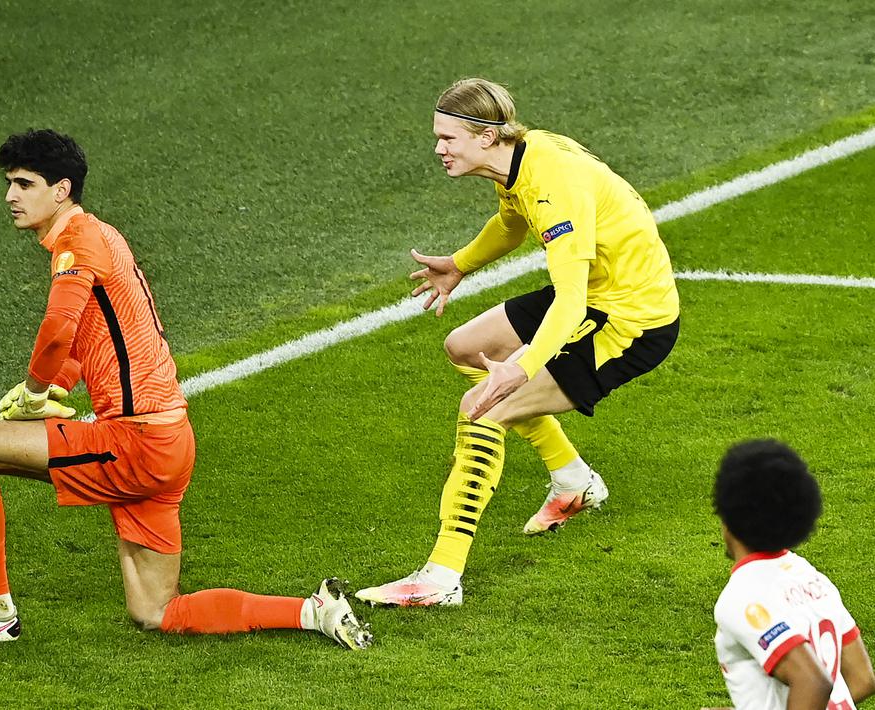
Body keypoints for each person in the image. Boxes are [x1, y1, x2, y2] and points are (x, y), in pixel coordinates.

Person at [0, 129, 372, 650]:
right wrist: (53, 385)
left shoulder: (77, 242)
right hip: (171, 442)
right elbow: (86, 340)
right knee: (154, 611)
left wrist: (36, 391)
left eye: (24, 183)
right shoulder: (102, 235)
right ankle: (315, 613)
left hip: (136, 443)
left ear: (61, 190)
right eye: (9, 184)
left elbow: (60, 327)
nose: (10, 196)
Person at [357, 77, 680, 607]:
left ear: (486, 136)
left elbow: (570, 302)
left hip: (630, 321)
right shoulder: (519, 160)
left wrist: (523, 366)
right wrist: (459, 264)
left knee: (481, 409)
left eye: (448, 138)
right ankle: (574, 480)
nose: (438, 149)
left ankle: (440, 579)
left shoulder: (554, 187)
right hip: (600, 294)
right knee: (464, 347)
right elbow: (510, 224)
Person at [709, 439, 874, 710]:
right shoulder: (813, 579)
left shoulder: (741, 597)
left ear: (727, 517)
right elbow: (861, 679)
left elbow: (813, 682)